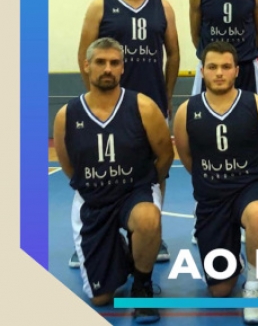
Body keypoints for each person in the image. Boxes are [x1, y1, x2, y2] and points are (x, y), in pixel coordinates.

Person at [53, 37, 174, 323]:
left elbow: (165, 155)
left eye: (114, 63)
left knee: (147, 218)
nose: (107, 68)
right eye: (100, 62)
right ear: (86, 66)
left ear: (122, 68)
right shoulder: (67, 115)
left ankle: (142, 288)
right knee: (101, 298)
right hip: (93, 202)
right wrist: (95, 184)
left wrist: (147, 185)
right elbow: (69, 165)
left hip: (135, 193)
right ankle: (122, 251)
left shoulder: (142, 106)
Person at [76, 0, 178, 267]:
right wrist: (94, 100)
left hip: (151, 105)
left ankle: (153, 233)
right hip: (109, 107)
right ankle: (94, 234)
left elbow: (174, 53)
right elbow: (84, 54)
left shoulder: (162, 7)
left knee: (157, 170)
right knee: (102, 168)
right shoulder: (101, 6)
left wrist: (167, 96)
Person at [173, 41, 258, 325]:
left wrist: (252, 176)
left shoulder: (257, 106)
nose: (219, 73)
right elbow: (187, 158)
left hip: (250, 187)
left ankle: (254, 286)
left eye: (225, 67)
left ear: (236, 70)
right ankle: (237, 261)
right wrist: (213, 180)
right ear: (202, 71)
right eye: (212, 67)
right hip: (212, 198)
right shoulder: (187, 111)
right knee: (219, 290)